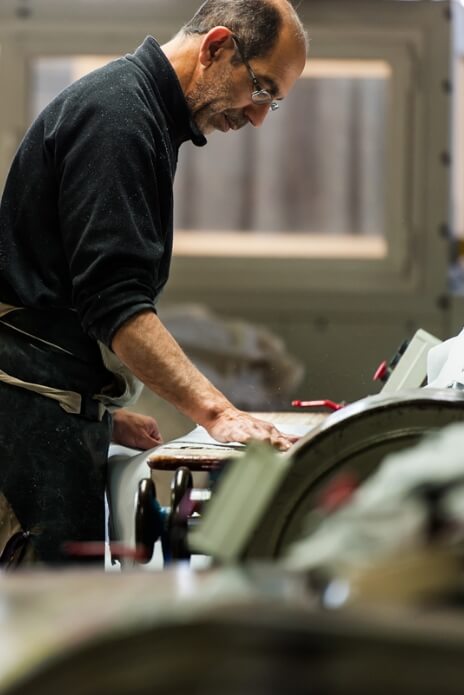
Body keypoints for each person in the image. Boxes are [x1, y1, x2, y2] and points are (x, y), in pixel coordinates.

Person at [0, 0, 308, 565]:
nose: (260, 116)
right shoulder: (119, 118)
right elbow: (115, 304)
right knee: (60, 622)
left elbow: (53, 285)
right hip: (29, 418)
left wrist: (100, 410)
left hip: (53, 406)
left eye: (275, 100)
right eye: (261, 88)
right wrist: (219, 413)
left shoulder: (139, 112)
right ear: (217, 47)